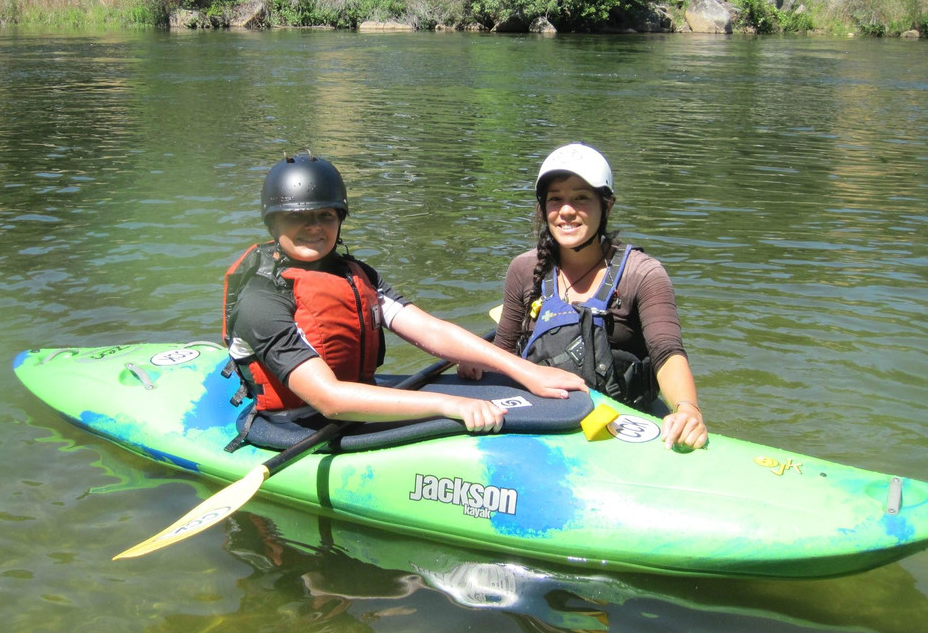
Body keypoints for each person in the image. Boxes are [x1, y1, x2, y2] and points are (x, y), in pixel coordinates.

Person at [224, 151, 587, 436]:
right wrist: (449, 404)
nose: (315, 227)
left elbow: (431, 331)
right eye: (297, 217)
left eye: (326, 216)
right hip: (296, 425)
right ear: (273, 222)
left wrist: (524, 370)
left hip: (357, 406)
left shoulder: (355, 275)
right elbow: (329, 398)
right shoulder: (260, 299)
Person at [461, 143, 708, 451]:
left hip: (622, 427)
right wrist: (478, 364)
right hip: (544, 420)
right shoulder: (524, 269)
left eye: (580, 198)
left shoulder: (643, 274)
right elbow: (504, 353)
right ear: (543, 208)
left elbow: (667, 352)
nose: (566, 210)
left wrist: (687, 408)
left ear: (607, 206)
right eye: (555, 199)